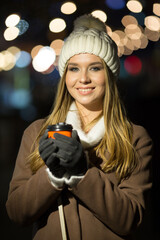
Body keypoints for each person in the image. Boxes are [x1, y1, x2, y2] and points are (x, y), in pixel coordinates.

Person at [6, 14, 153, 240]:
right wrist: (51, 177)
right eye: (74, 68)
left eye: (94, 68)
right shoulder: (37, 132)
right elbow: (17, 213)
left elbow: (130, 220)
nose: (82, 78)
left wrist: (82, 173)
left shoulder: (134, 137)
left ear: (110, 75)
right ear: (65, 75)